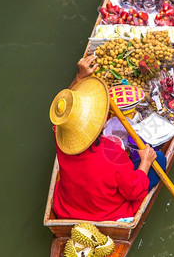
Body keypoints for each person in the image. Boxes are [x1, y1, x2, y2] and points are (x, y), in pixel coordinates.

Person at [50, 56, 166, 221]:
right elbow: (134, 191)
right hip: (106, 215)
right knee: (159, 159)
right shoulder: (112, 153)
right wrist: (146, 161)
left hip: (67, 209)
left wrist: (79, 78)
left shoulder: (61, 135)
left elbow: (61, 113)